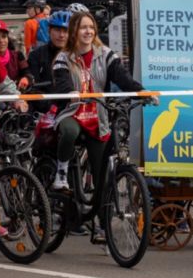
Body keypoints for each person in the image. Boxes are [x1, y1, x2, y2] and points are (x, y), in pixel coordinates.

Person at [50, 11, 149, 193]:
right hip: (72, 112)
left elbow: (122, 77)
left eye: (91, 27)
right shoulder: (64, 57)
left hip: (98, 115)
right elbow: (61, 83)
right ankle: (62, 172)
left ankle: (102, 214)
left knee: (102, 178)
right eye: (83, 28)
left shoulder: (105, 54)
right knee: (70, 132)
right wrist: (70, 92)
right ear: (74, 31)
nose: (88, 31)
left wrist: (141, 91)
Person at [24, 10, 71, 96]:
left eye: (66, 31)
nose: (61, 35)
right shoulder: (36, 55)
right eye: (57, 30)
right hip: (47, 105)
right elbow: (33, 88)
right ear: (49, 31)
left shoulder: (78, 55)